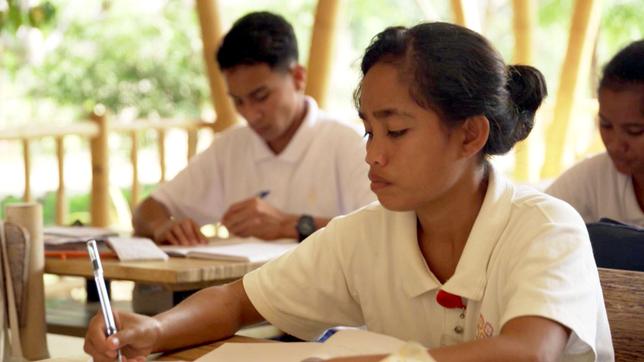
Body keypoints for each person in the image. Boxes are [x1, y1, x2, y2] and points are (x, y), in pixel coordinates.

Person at [85, 22, 613, 361]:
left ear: (470, 134)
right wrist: (155, 331)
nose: (372, 154)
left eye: (397, 131)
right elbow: (236, 301)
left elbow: (526, 352)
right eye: (368, 130)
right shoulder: (367, 234)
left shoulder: (545, 227)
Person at [133, 11, 375, 245]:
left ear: (298, 77)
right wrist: (162, 227)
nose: (250, 114)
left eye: (261, 96)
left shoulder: (348, 144)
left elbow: (380, 228)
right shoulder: (230, 147)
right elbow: (147, 210)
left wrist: (287, 225)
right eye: (238, 101)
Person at [546, 40, 644, 227]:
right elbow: (531, 223)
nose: (614, 145)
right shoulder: (594, 177)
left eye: (634, 131)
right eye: (606, 125)